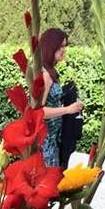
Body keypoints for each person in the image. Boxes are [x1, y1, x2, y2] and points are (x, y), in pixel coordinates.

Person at [39, 28, 83, 167]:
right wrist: (68, 110)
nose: (64, 50)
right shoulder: (45, 75)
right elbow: (38, 112)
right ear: (51, 47)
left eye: (65, 46)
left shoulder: (51, 72)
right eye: (61, 46)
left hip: (53, 141)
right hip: (46, 144)